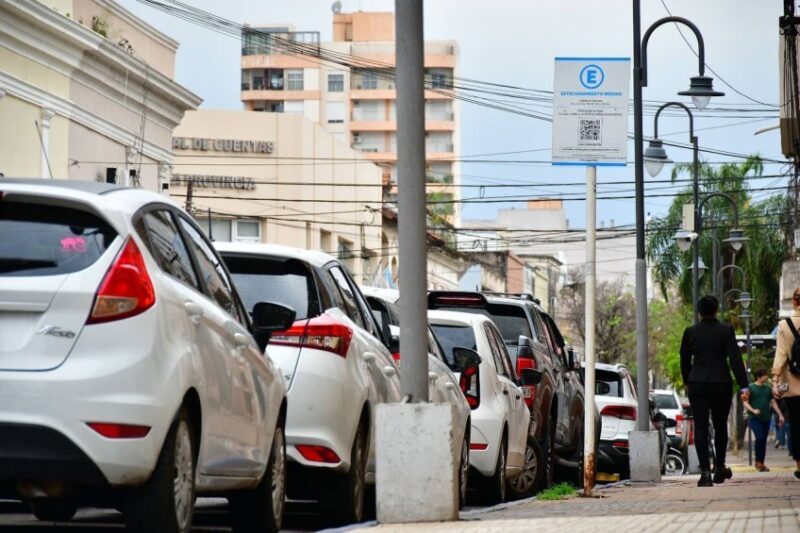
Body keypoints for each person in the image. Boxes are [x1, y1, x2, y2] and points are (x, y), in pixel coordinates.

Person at [680, 295, 749, 487]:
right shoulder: (726, 330)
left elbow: (684, 360)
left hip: (698, 384)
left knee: (700, 427)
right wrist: (744, 385)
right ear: (716, 310)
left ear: (699, 312)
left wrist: (687, 380)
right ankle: (719, 467)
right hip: (721, 383)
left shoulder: (690, 332)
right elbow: (735, 359)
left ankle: (705, 474)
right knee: (720, 426)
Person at [771, 287, 800, 481]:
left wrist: (775, 381)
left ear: (794, 303)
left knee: (797, 426)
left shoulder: (784, 325)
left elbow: (780, 355)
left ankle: (799, 466)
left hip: (793, 386)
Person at [744, 369, 784, 471]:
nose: (767, 377)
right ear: (759, 377)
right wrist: (753, 410)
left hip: (766, 418)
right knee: (760, 437)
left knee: (762, 441)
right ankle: (758, 462)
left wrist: (780, 414)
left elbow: (773, 402)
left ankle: (761, 463)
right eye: (765, 375)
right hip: (754, 418)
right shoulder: (750, 388)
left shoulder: (768, 389)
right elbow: (745, 402)